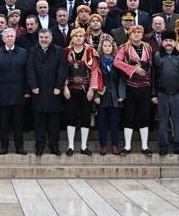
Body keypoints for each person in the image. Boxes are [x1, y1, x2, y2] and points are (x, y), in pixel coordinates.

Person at [113, 25, 154, 155]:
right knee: (129, 116)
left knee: (144, 116)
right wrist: (132, 69)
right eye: (134, 32)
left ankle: (145, 146)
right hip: (130, 86)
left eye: (139, 32)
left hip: (145, 86)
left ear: (142, 35)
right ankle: (127, 146)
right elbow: (116, 62)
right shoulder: (124, 48)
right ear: (130, 35)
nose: (136, 34)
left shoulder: (148, 47)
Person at [27, 28, 68, 156]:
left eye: (46, 37)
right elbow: (30, 69)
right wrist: (33, 85)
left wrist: (58, 86)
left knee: (54, 123)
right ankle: (39, 146)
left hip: (54, 91)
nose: (44, 40)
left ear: (51, 38)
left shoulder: (59, 50)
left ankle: (54, 146)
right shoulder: (33, 50)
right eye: (41, 38)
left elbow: (63, 69)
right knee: (39, 123)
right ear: (38, 38)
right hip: (38, 91)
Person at [63, 27, 101, 156]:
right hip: (71, 89)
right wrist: (65, 87)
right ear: (72, 38)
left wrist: (92, 89)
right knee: (70, 117)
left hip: (86, 90)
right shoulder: (66, 51)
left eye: (81, 36)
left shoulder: (91, 51)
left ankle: (84, 146)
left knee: (85, 117)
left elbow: (95, 71)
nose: (78, 38)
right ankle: (70, 146)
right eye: (76, 36)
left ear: (84, 37)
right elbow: (63, 72)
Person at [151, 30, 179, 156]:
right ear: (162, 42)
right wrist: (154, 94)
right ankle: (163, 146)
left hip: (178, 94)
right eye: (166, 40)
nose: (168, 43)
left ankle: (178, 146)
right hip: (162, 94)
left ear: (175, 42)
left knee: (178, 121)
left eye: (171, 41)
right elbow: (154, 76)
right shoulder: (157, 56)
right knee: (163, 121)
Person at [0, 28, 28, 155]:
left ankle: (19, 146)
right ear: (3, 38)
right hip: (2, 93)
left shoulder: (23, 53)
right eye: (7, 36)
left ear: (15, 38)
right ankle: (4, 146)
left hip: (19, 92)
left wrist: (27, 90)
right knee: (4, 123)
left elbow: (27, 73)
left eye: (12, 36)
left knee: (19, 123)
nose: (10, 38)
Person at [95, 36, 124, 155]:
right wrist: (96, 95)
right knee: (102, 123)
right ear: (101, 47)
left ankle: (115, 146)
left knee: (114, 123)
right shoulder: (97, 61)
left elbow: (122, 79)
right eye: (105, 46)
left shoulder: (117, 61)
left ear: (113, 47)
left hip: (115, 97)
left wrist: (121, 94)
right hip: (102, 96)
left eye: (109, 46)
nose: (107, 48)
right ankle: (103, 146)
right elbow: (95, 79)